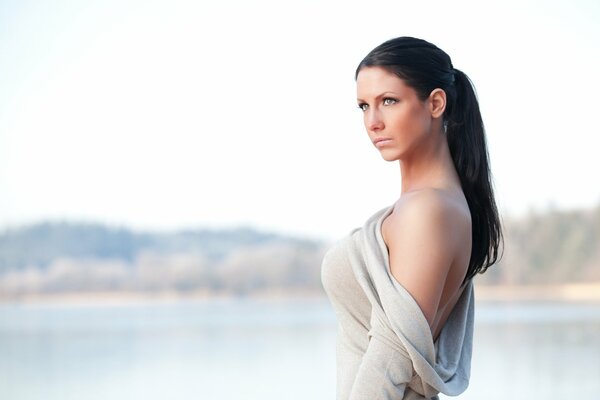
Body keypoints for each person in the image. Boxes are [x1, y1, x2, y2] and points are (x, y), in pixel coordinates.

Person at [320, 36, 504, 400]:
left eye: (389, 101)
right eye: (363, 106)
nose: (372, 122)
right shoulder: (427, 206)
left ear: (436, 103)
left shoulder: (428, 210)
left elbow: (390, 362)